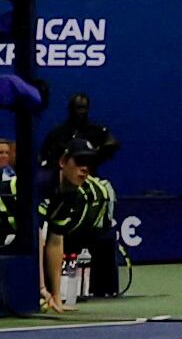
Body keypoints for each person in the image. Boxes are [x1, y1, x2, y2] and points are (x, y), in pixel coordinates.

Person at [38, 129, 122, 315]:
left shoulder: (70, 194)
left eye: (89, 163)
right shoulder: (42, 183)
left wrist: (57, 296)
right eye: (79, 162)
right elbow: (34, 237)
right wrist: (43, 289)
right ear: (62, 162)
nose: (85, 169)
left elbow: (55, 241)